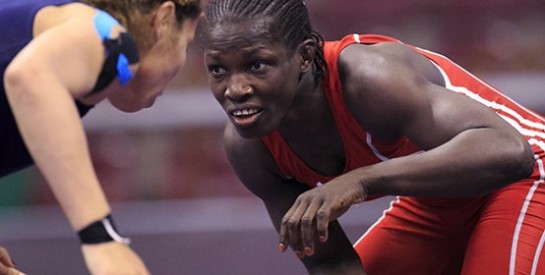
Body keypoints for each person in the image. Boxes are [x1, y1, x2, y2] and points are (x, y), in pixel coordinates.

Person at [200, 0, 545, 274]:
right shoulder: (250, 149)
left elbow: (512, 152)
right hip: (436, 200)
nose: (236, 89)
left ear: (304, 56)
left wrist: (361, 181)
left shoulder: (368, 78)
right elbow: (330, 263)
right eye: (218, 69)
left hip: (527, 174)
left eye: (257, 65)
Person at [1, 0, 200, 274]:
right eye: (186, 44)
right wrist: (104, 240)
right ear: (163, 20)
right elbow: (28, 76)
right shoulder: (109, 38)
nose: (182, 61)